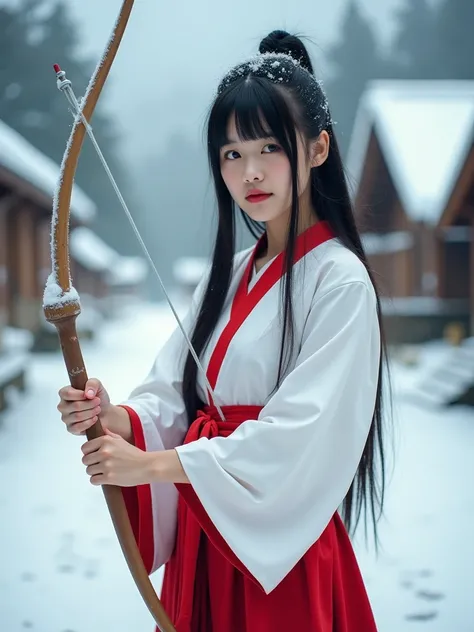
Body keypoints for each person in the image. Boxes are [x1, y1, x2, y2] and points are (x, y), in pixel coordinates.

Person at [57, 30, 389, 632]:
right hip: (206, 534)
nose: (249, 171)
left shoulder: (341, 282)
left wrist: (152, 466)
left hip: (280, 557)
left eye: (268, 147)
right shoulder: (234, 273)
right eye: (231, 154)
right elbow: (174, 396)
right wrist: (110, 416)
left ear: (317, 148)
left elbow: (296, 440)